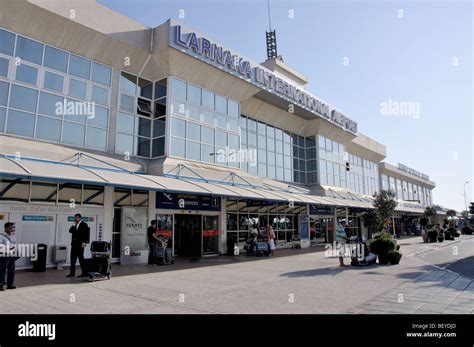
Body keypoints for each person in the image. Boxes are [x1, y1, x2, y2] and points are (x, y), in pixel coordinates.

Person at [0, 222, 17, 290]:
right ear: (6, 228)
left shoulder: (13, 236)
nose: (11, 229)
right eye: (10, 227)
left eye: (12, 228)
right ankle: (1, 284)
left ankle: (10, 284)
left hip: (12, 255)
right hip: (4, 255)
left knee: (11, 270)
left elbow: (14, 244)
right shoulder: (1, 236)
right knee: (2, 270)